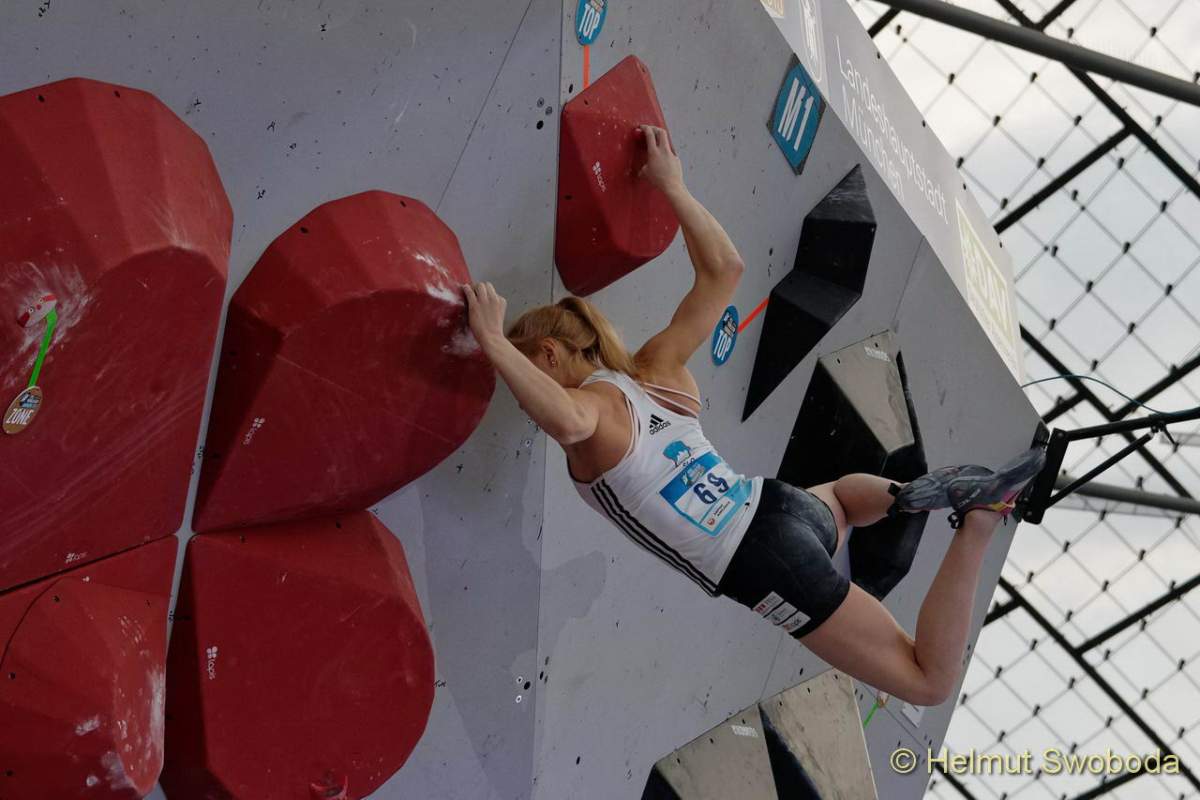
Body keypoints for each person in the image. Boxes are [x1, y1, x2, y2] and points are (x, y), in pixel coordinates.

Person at [463, 124, 1044, 707]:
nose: (522, 394)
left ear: (549, 354)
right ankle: (906, 497)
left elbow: (566, 420)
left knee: (928, 682)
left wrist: (492, 340)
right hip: (783, 508)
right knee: (844, 501)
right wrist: (672, 184)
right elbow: (725, 269)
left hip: (761, 562)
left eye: (526, 368)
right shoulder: (655, 371)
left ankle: (979, 519)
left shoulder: (591, 409)